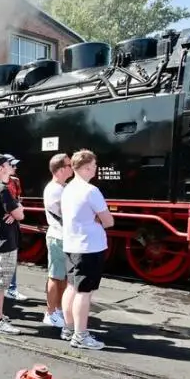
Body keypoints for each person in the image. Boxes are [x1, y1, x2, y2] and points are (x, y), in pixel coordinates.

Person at [60, 149, 113, 350]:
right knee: (85, 292)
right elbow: (108, 221)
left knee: (72, 287)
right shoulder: (91, 191)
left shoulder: (68, 189)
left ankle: (68, 328)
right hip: (89, 247)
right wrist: (98, 218)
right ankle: (80, 336)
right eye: (94, 164)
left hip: (72, 244)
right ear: (86, 167)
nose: (96, 168)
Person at [0, 154, 24, 334]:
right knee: (1, 283)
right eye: (9, 164)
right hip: (5, 241)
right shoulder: (2, 190)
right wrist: (16, 209)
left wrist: (13, 210)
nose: (11, 166)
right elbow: (20, 215)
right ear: (1, 168)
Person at [42, 153, 73, 328]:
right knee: (55, 276)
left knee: (63, 277)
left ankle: (58, 309)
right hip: (57, 237)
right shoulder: (54, 189)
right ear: (61, 169)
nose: (72, 167)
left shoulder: (63, 186)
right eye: (69, 165)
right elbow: (67, 213)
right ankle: (50, 313)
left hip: (63, 237)